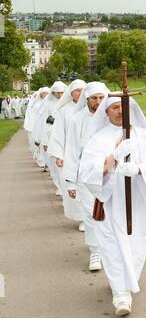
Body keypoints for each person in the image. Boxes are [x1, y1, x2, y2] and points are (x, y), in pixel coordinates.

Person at [79, 95, 146, 316]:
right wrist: (112, 160)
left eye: (123, 107)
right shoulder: (98, 139)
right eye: (115, 107)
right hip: (110, 203)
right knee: (113, 246)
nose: (119, 111)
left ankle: (126, 282)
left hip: (137, 203)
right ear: (106, 112)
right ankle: (121, 295)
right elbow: (87, 173)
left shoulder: (143, 136)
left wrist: (139, 170)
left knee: (135, 246)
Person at [63, 82, 110, 271]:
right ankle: (95, 252)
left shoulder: (112, 116)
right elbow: (72, 151)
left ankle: (110, 250)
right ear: (87, 99)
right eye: (94, 98)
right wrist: (70, 183)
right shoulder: (78, 120)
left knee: (111, 215)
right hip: (85, 175)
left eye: (101, 98)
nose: (98, 102)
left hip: (110, 174)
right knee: (92, 215)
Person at [47, 79, 86, 230]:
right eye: (77, 91)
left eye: (83, 90)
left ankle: (93, 217)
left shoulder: (90, 109)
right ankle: (81, 218)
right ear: (71, 93)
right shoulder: (64, 111)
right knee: (73, 187)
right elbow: (57, 135)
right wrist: (59, 156)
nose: (80, 93)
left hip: (88, 156)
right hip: (69, 155)